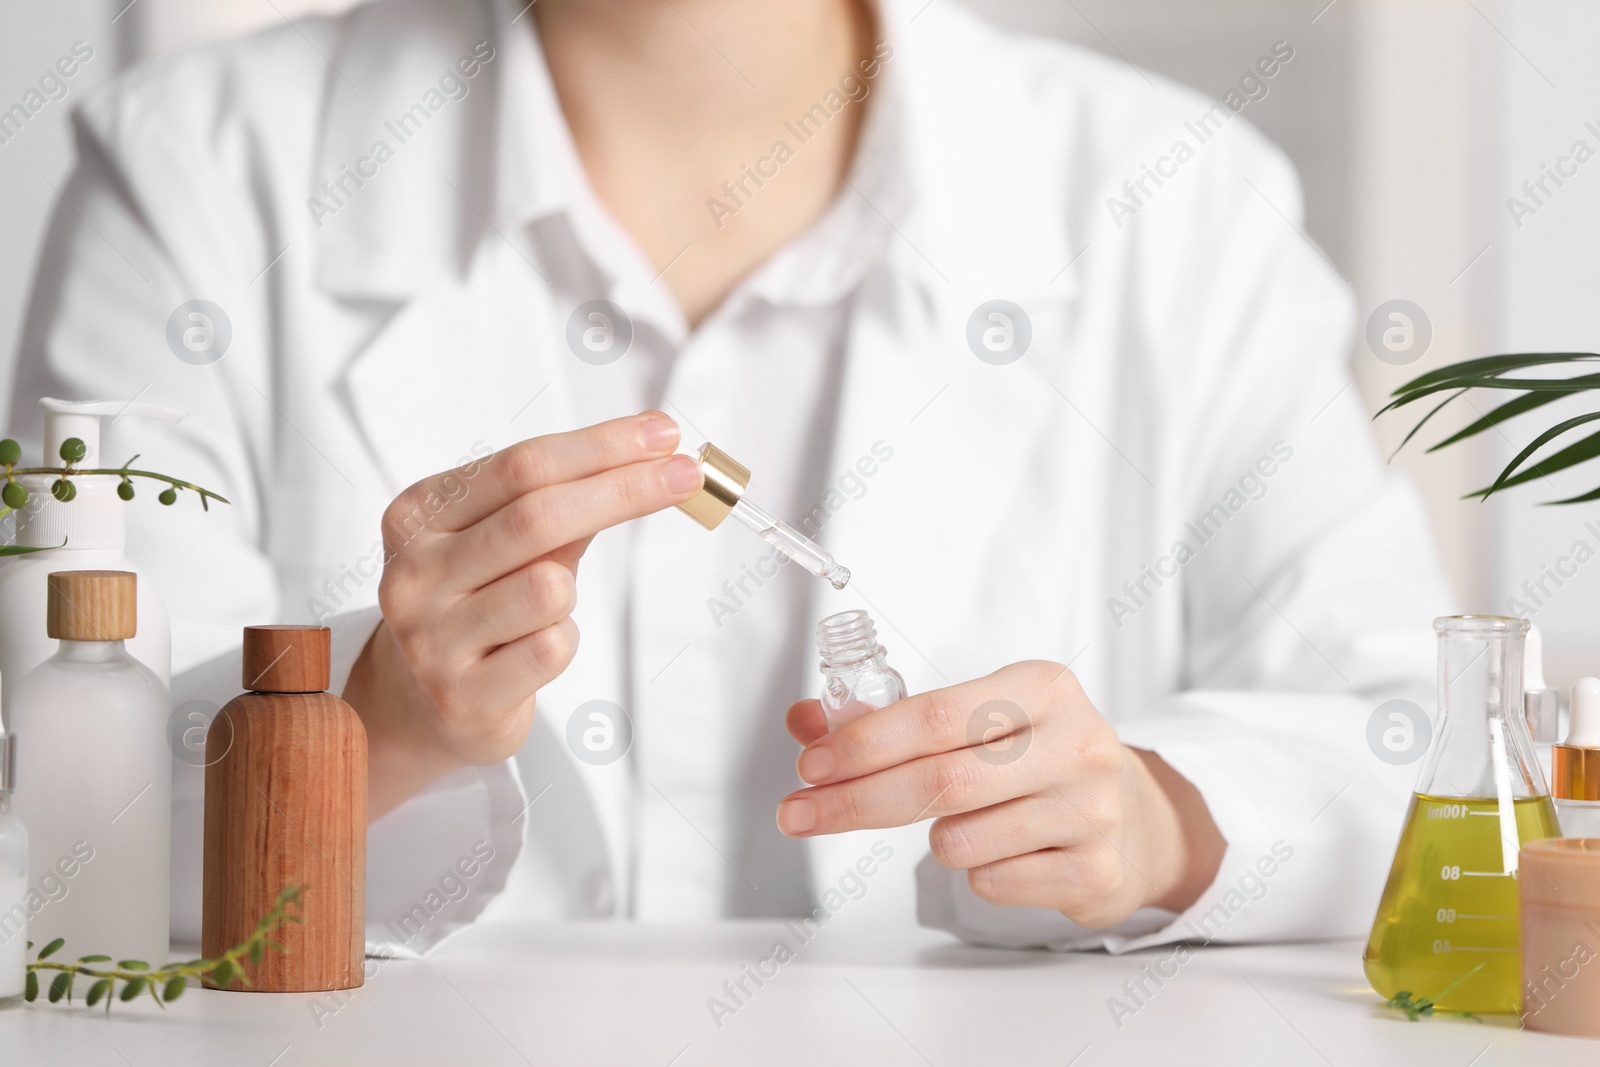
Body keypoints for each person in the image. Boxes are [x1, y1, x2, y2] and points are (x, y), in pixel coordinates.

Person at [8, 0, 1448, 956]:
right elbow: (58, 837)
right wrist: (377, 726)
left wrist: (1161, 818)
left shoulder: (1174, 198)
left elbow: (1414, 747)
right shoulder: (194, 176)